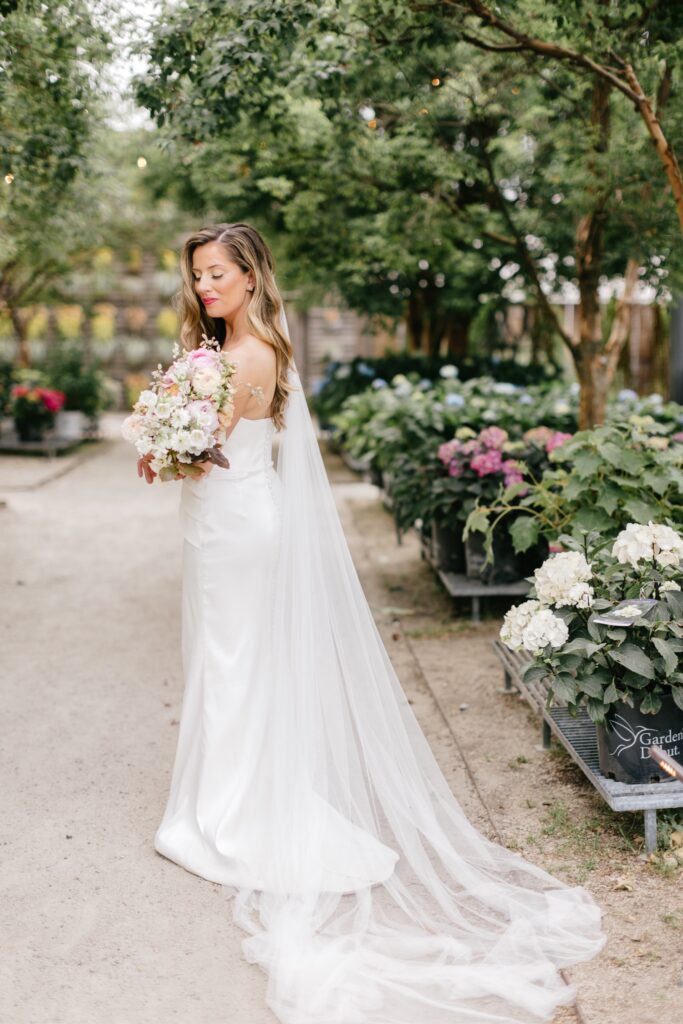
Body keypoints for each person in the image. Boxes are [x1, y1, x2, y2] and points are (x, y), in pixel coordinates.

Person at [138, 222, 607, 1024]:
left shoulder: (244, 357)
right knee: (229, 661)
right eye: (198, 276)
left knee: (233, 663)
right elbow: (202, 444)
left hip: (234, 529)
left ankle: (232, 812)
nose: (205, 286)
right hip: (225, 521)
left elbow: (203, 443)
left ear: (250, 277)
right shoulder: (237, 352)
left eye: (218, 273)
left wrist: (161, 439)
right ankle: (231, 795)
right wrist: (167, 434)